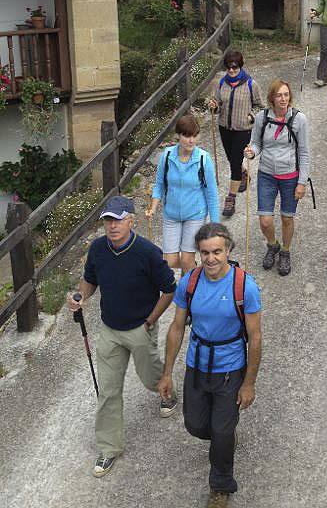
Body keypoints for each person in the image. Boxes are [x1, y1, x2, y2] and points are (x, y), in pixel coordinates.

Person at [66, 196, 177, 478]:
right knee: (108, 391)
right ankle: (108, 448)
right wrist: (81, 297)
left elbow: (169, 290)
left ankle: (167, 393)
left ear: (131, 221)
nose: (112, 226)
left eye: (117, 219)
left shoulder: (148, 252)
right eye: (107, 220)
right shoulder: (98, 249)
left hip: (140, 329)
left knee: (150, 377)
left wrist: (151, 321)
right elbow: (90, 280)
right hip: (110, 330)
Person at [158, 223, 262, 508]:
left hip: (230, 368)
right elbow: (177, 327)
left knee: (221, 432)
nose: (211, 258)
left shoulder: (245, 287)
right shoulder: (189, 283)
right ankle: (223, 435)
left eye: (217, 251)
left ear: (228, 251)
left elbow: (255, 338)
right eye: (205, 253)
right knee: (195, 425)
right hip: (197, 364)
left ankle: (221, 486)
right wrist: (167, 373)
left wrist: (249, 383)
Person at [244, 80, 309, 276]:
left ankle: (285, 252)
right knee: (265, 220)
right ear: (272, 98)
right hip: (266, 174)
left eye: (286, 95)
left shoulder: (299, 119)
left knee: (287, 218)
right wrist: (251, 152)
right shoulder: (261, 118)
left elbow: (304, 152)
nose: (283, 99)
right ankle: (273, 245)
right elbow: (256, 143)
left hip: (290, 176)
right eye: (279, 95)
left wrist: (302, 182)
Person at [147, 114, 220, 273]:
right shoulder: (166, 156)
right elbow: (159, 185)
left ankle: (191, 292)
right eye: (187, 136)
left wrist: (215, 225)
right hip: (171, 215)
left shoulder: (203, 159)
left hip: (195, 214)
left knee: (187, 259)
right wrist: (153, 208)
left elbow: (212, 194)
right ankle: (197, 270)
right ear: (178, 136)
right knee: (170, 261)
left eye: (195, 135)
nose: (191, 140)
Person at [208, 52, 263, 218]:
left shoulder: (251, 84)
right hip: (224, 127)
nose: (231, 70)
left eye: (235, 67)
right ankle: (243, 174)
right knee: (231, 159)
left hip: (243, 130)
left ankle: (230, 200)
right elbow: (216, 103)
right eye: (228, 67)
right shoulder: (221, 83)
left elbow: (260, 107)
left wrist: (251, 116)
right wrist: (213, 106)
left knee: (235, 162)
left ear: (240, 66)